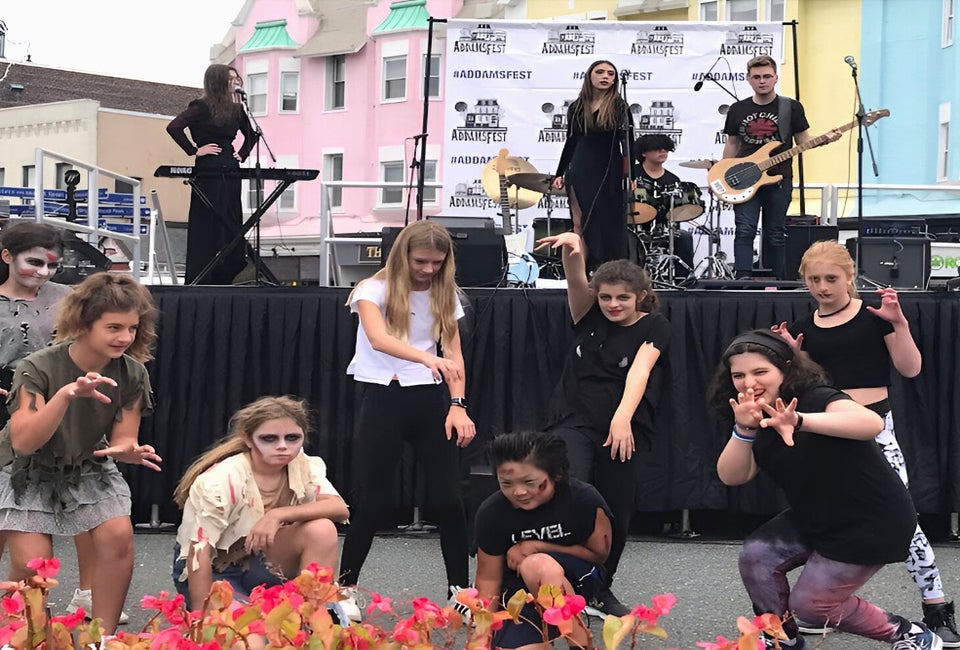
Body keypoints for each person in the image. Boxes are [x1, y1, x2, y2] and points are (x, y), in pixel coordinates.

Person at [770, 240, 960, 646]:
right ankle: (814, 603)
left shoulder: (875, 316)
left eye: (831, 278)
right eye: (814, 279)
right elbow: (800, 388)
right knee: (823, 511)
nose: (823, 287)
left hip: (876, 432)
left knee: (902, 518)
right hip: (826, 434)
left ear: (850, 277)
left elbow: (910, 369)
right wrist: (792, 358)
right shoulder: (804, 327)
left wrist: (900, 324)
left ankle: (937, 605)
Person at [709, 329, 941, 650]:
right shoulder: (754, 411)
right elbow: (733, 475)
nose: (749, 382)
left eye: (760, 372)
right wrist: (744, 428)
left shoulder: (816, 396)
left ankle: (911, 634)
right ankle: (782, 639)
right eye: (739, 375)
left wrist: (801, 420)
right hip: (815, 513)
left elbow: (870, 424)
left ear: (785, 369)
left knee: (811, 605)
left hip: (871, 520)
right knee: (756, 557)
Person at [0, 272, 160, 634]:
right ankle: (24, 635)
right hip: (26, 469)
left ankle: (100, 638)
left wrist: (126, 451)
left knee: (118, 536)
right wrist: (65, 395)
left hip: (87, 466)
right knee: (33, 565)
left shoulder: (132, 373)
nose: (125, 338)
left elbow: (122, 437)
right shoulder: (36, 367)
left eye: (132, 328)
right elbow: (24, 443)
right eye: (114, 327)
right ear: (84, 324)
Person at [339, 220, 476, 615]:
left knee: (448, 498)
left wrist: (458, 404)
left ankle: (458, 591)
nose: (428, 270)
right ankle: (344, 589)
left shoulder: (443, 293)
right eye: (420, 261)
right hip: (383, 395)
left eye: (436, 263)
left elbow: (456, 356)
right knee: (372, 499)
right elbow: (379, 339)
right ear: (403, 256)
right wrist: (426, 357)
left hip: (430, 397)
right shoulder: (371, 290)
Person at [534, 231, 667, 618]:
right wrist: (575, 249)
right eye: (606, 296)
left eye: (622, 297)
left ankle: (598, 587)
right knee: (574, 488)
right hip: (573, 419)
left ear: (640, 295)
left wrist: (622, 419)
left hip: (623, 423)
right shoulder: (587, 314)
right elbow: (576, 279)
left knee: (614, 510)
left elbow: (641, 371)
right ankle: (551, 577)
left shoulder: (654, 325)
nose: (613, 304)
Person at [172, 395, 356, 619]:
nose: (282, 446)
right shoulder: (222, 479)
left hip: (262, 560)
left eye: (292, 438)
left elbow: (339, 508)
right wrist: (202, 617)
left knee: (322, 529)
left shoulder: (303, 465)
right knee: (250, 639)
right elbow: (198, 551)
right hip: (214, 571)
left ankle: (310, 618)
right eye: (269, 438)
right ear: (248, 439)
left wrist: (278, 515)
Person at [474, 430, 613, 650]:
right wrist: (480, 639)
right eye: (506, 483)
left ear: (555, 474)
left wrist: (539, 546)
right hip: (519, 592)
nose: (519, 492)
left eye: (529, 482)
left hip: (576, 579)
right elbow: (488, 580)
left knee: (537, 565)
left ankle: (580, 644)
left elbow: (599, 555)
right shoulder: (492, 513)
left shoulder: (583, 499)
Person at [721, 55, 840, 280]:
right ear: (748, 79)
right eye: (756, 77)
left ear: (776, 78)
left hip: (779, 179)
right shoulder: (737, 109)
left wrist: (826, 139)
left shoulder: (791, 107)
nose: (762, 81)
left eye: (767, 76)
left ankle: (780, 279)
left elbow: (803, 140)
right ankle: (743, 278)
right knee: (744, 229)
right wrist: (723, 174)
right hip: (745, 177)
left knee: (775, 232)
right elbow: (732, 144)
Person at [167, 63, 257, 285]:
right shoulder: (201, 107)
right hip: (208, 166)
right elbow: (174, 127)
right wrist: (194, 150)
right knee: (208, 220)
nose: (235, 83)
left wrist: (242, 154)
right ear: (217, 81)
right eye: (230, 79)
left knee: (231, 216)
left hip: (230, 166)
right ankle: (203, 274)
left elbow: (252, 134)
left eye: (237, 79)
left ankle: (228, 270)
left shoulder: (237, 109)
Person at [552, 60, 631, 273]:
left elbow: (628, 143)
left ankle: (608, 270)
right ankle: (581, 272)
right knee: (580, 222)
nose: (605, 76)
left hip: (609, 167)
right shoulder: (577, 107)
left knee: (608, 221)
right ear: (590, 76)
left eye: (610, 73)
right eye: (600, 72)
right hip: (580, 166)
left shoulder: (619, 107)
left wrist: (630, 173)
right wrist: (560, 172)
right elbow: (571, 141)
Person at [633, 134, 695, 280]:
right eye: (657, 149)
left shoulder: (673, 179)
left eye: (666, 149)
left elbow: (676, 210)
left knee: (684, 237)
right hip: (633, 226)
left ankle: (682, 279)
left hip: (663, 227)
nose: (663, 152)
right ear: (643, 153)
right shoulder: (632, 174)